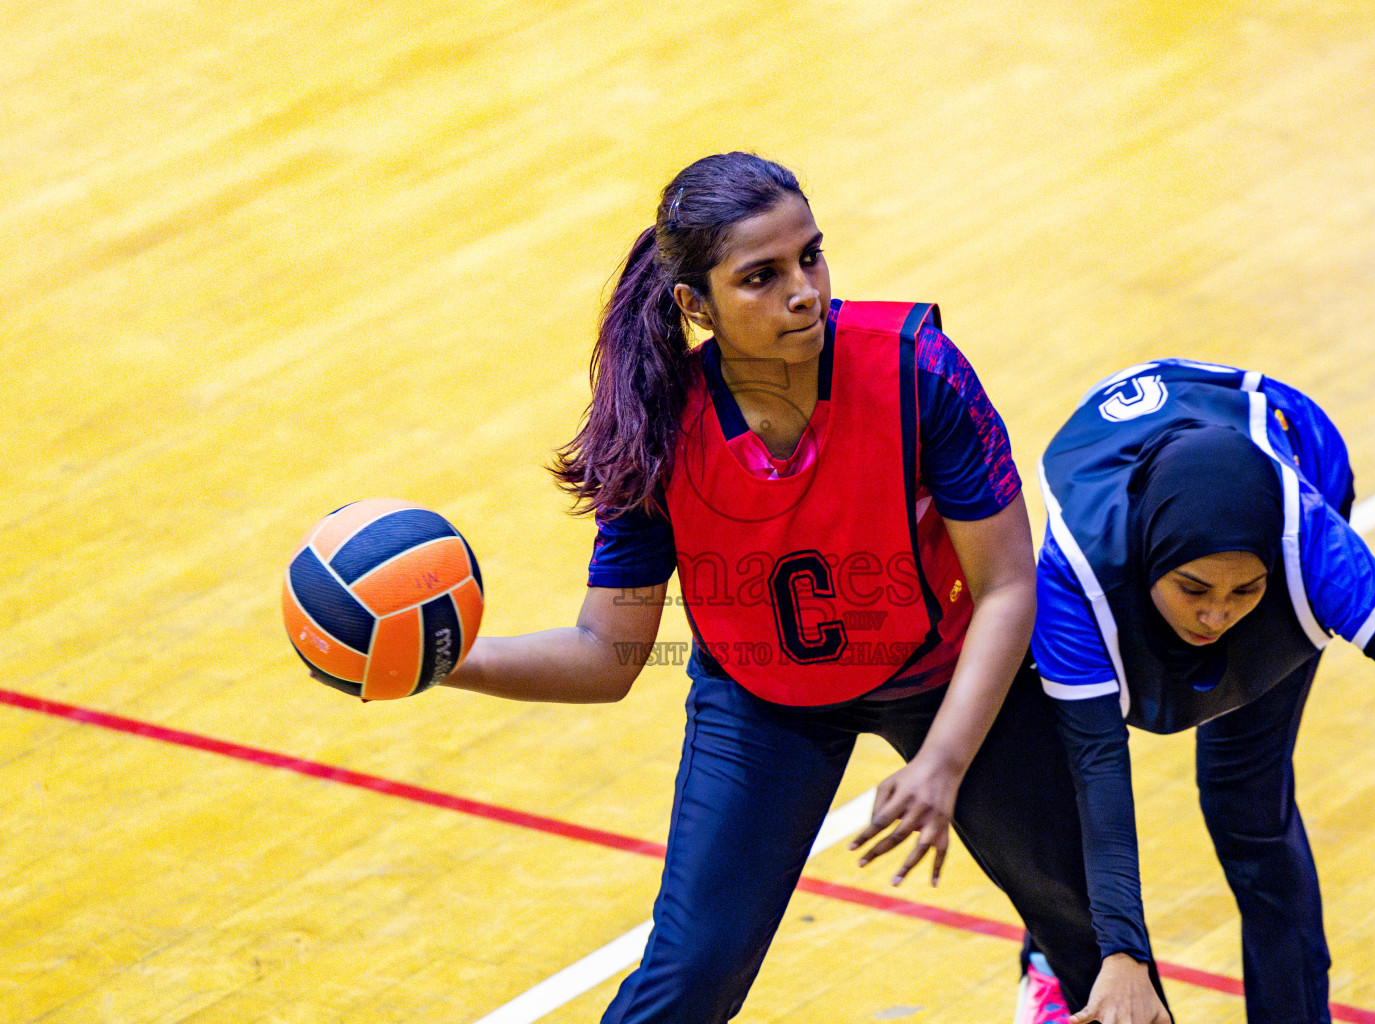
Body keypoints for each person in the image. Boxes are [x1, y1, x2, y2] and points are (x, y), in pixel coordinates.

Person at [431, 153, 1173, 1024]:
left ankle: (1049, 957)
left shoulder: (916, 372)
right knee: (690, 977)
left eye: (811, 257)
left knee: (1101, 947)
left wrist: (943, 761)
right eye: (762, 276)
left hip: (950, 674)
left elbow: (1009, 585)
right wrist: (446, 661)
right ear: (693, 306)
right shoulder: (658, 427)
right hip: (763, 699)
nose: (806, 291)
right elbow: (607, 654)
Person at [1031, 358, 1375, 1023]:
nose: (1217, 615)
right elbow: (1099, 767)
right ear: (1154, 560)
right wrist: (1121, 954)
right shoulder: (1071, 574)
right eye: (1195, 591)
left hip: (1292, 448)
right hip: (1129, 529)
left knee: (1246, 804)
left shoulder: (1308, 540)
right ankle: (1048, 965)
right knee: (1048, 787)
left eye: (1243, 591)